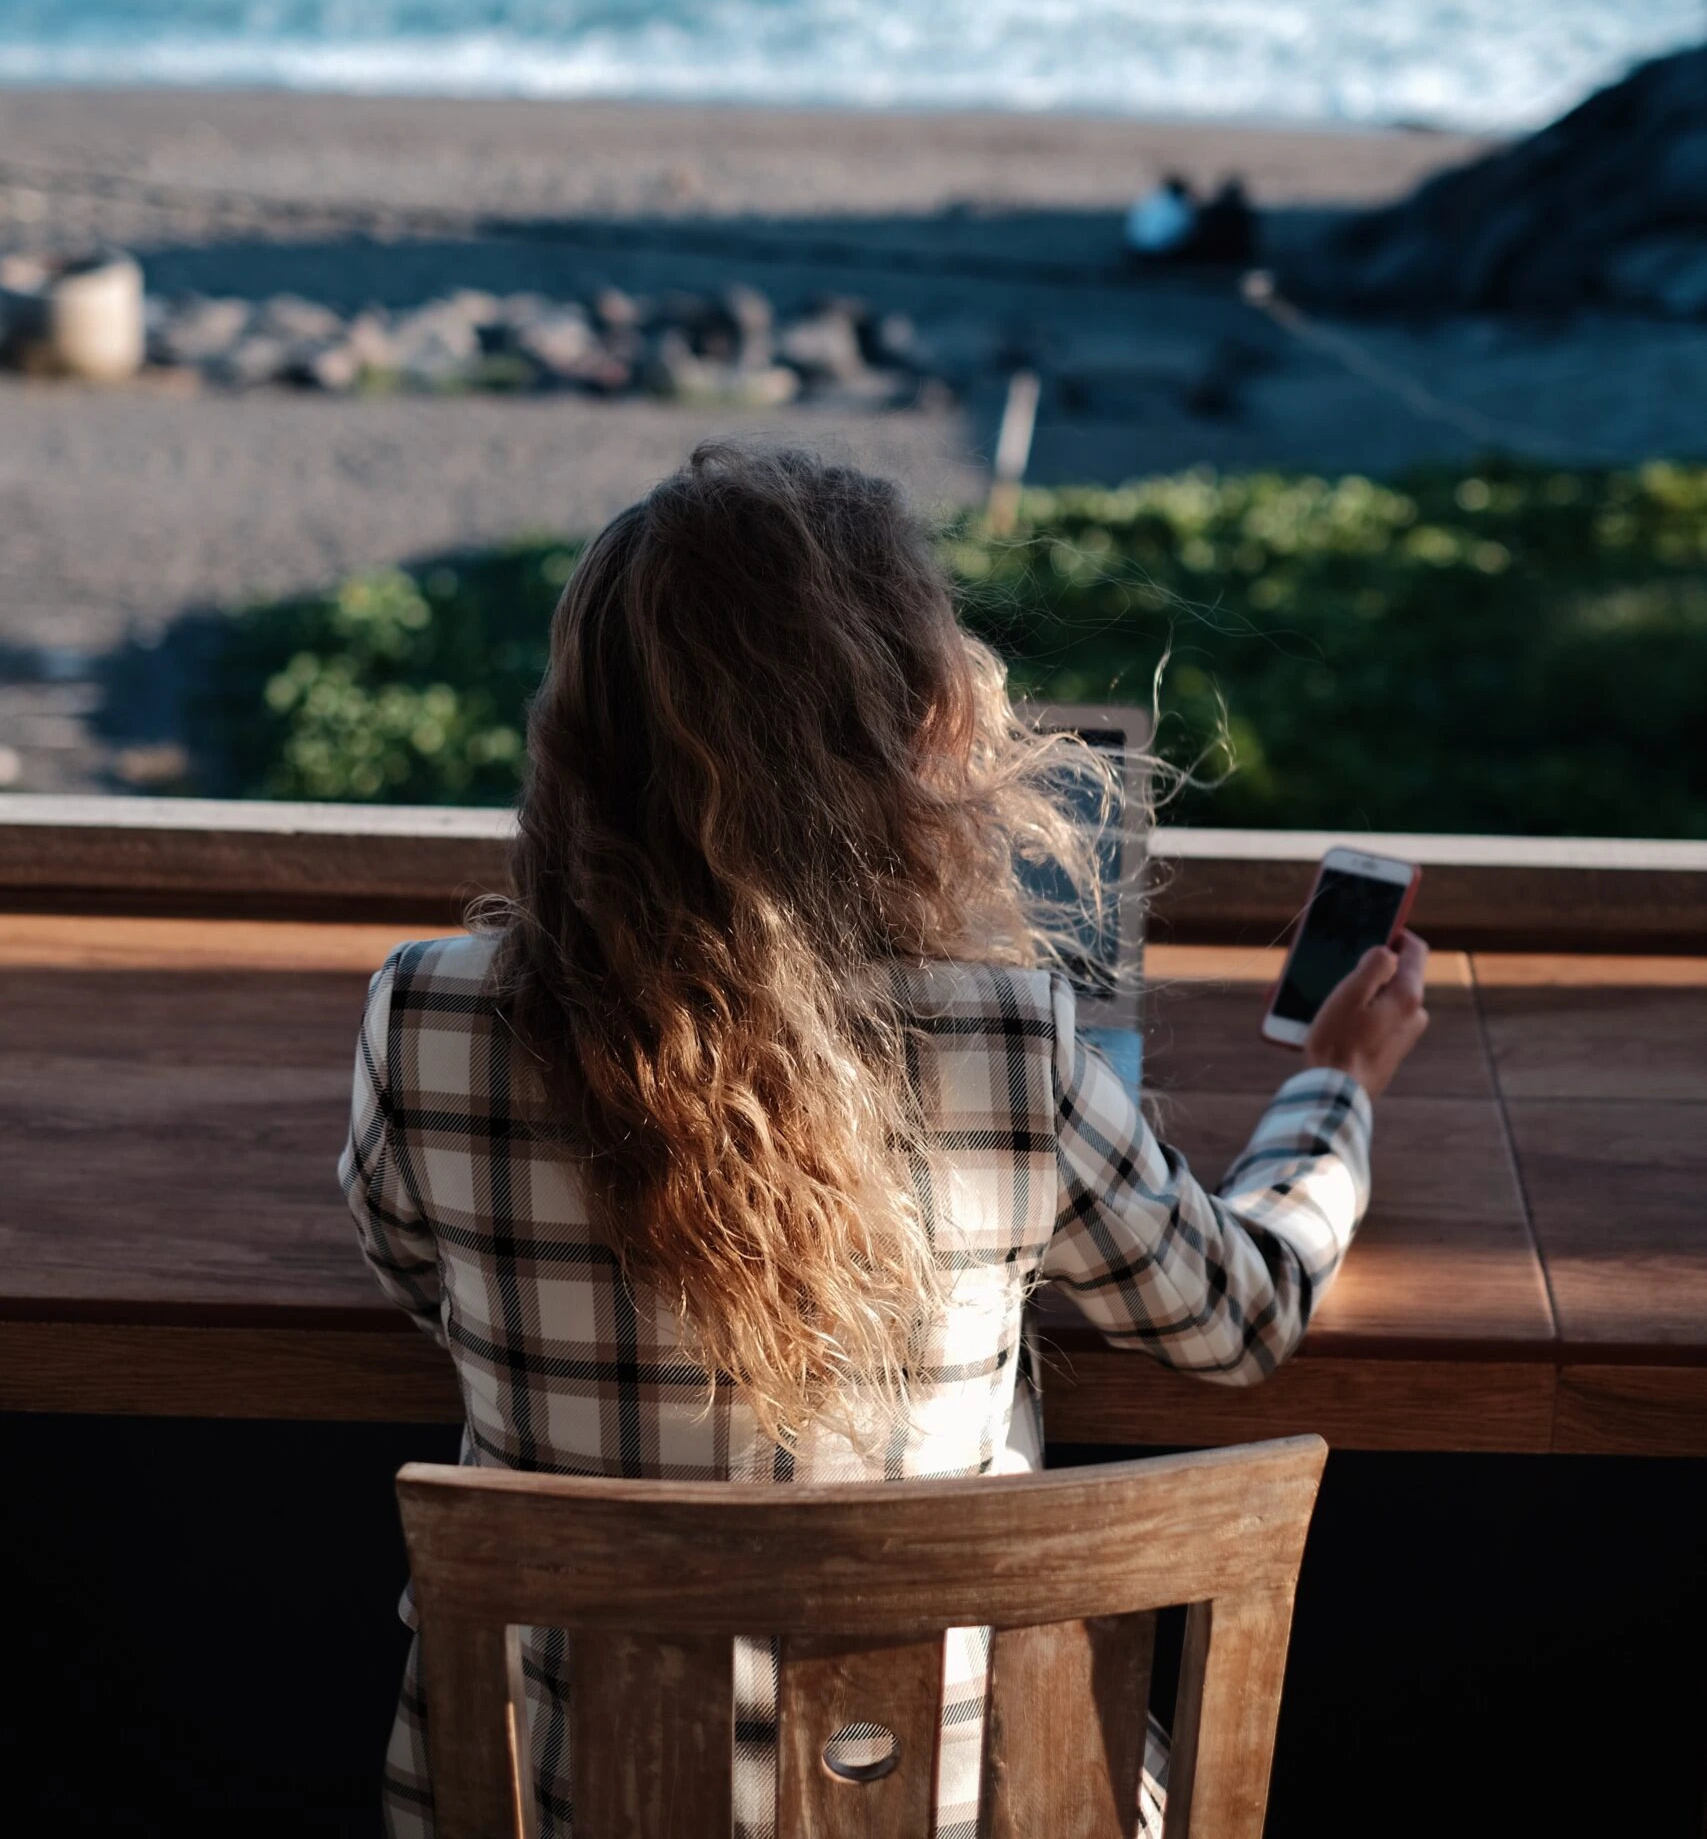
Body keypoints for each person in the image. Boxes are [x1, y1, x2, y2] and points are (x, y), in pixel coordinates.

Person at [341, 443, 1427, 1839]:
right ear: (919, 730)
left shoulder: (426, 1020)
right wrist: (1333, 1085)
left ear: (579, 733)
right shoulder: (1006, 1046)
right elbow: (1237, 1314)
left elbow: (408, 1273)